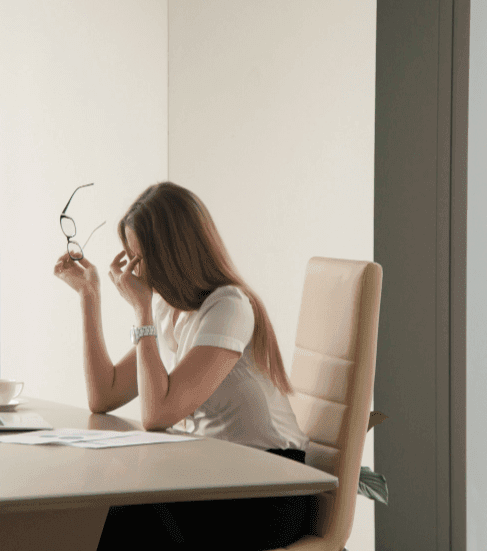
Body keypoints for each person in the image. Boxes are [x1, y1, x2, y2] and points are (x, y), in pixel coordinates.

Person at [53, 181, 313, 550]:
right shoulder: (169, 308)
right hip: (218, 476)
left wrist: (141, 310)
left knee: (133, 516)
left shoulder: (229, 306)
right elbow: (104, 395)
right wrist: (89, 295)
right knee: (118, 510)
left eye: (140, 257)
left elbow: (157, 413)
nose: (135, 269)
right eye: (131, 256)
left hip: (271, 487)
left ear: (174, 253)